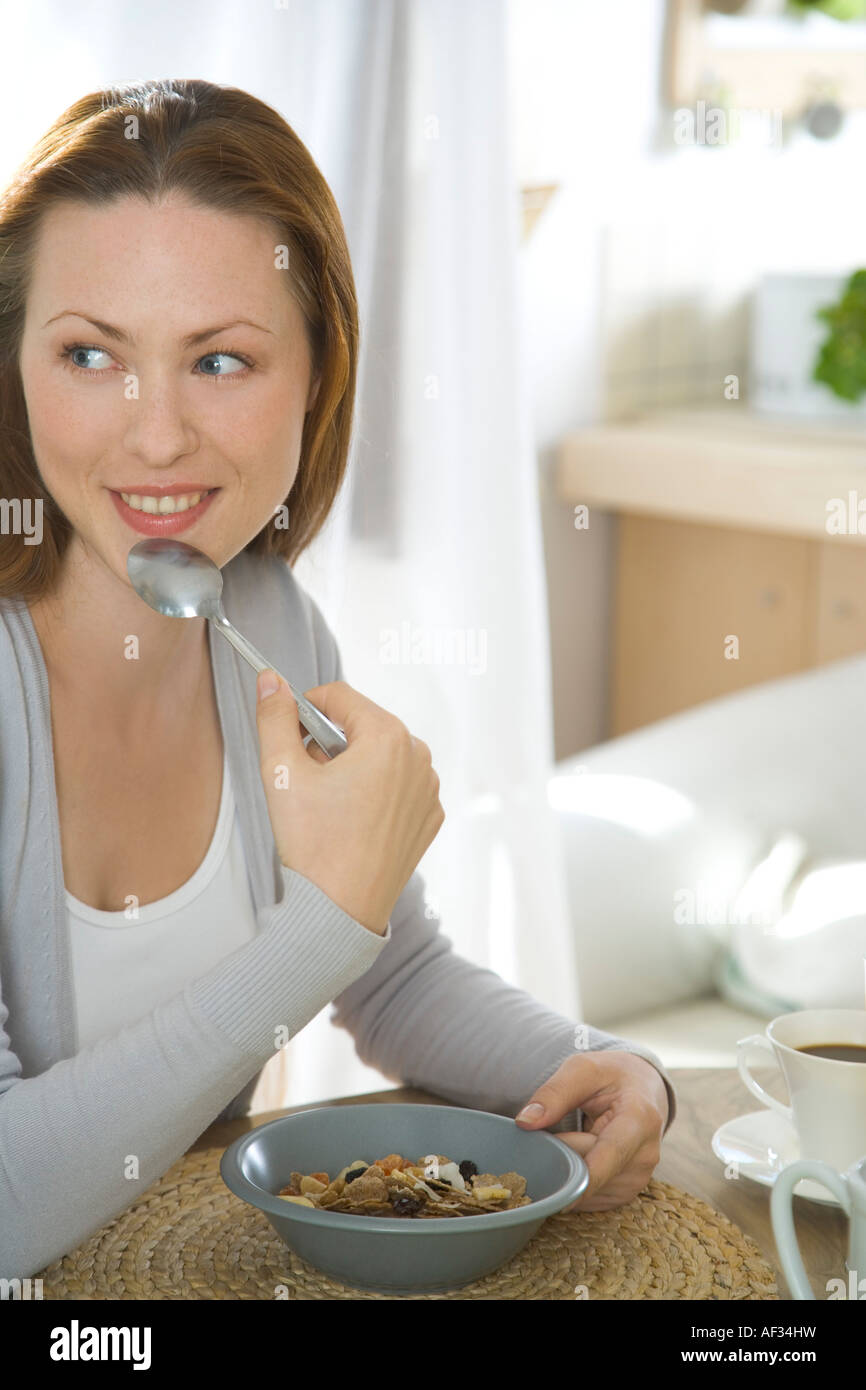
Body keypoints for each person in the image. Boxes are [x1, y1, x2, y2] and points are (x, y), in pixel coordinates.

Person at [0, 79, 675, 1282]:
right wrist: (322, 926)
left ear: (317, 377)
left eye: (219, 359)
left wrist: (609, 1064)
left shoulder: (267, 622)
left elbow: (394, 971)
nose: (155, 435)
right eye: (90, 353)